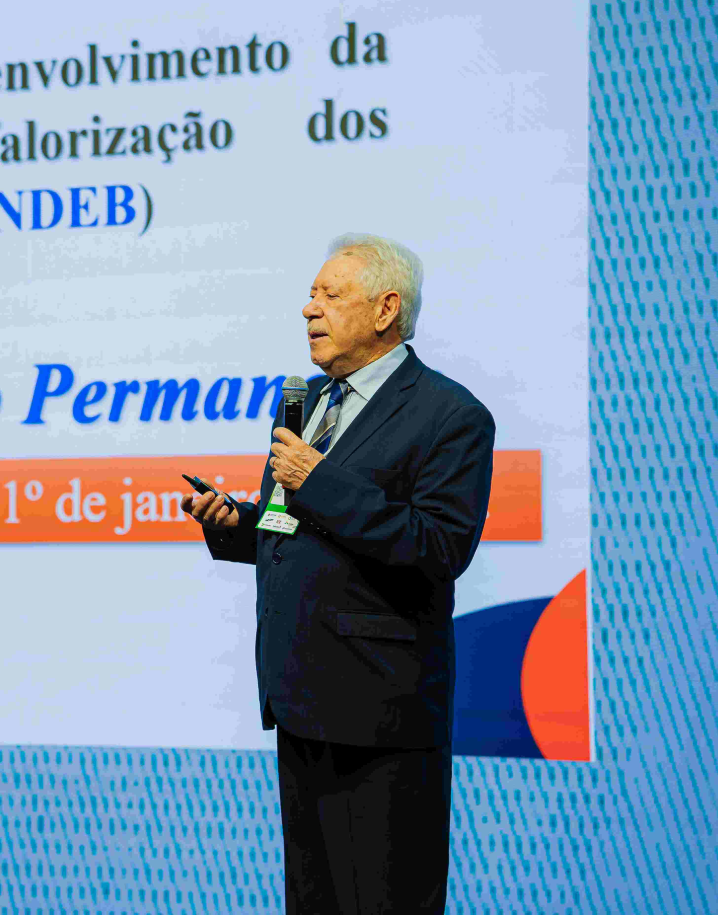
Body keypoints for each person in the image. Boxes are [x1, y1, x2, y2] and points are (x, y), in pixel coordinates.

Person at [186, 233, 496, 913]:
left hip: (381, 712)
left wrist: (319, 481)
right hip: (300, 700)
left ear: (386, 308)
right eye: (309, 295)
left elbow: (439, 546)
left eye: (329, 294)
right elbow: (291, 524)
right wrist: (235, 523)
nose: (309, 309)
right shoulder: (305, 402)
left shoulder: (451, 415)